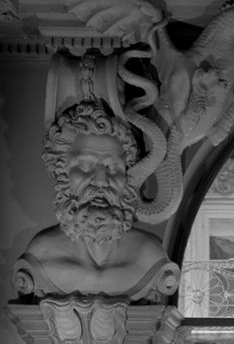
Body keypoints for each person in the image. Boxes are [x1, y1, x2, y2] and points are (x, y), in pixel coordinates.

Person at [14, 100, 178, 301]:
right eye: (86, 166)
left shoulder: (148, 256)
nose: (101, 181)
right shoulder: (41, 255)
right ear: (62, 172)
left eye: (113, 168)